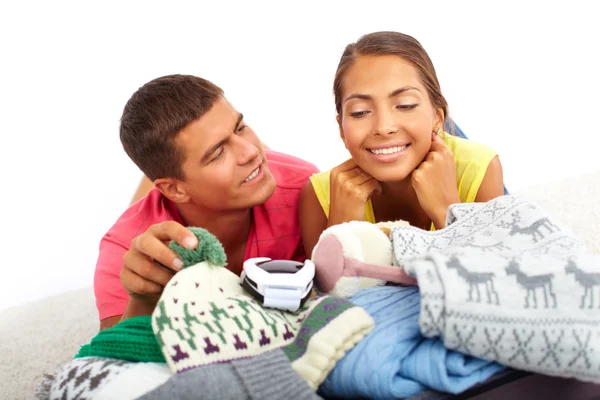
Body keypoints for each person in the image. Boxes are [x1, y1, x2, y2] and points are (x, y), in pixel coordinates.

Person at [95, 74, 318, 330]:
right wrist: (143, 301)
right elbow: (111, 358)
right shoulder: (125, 250)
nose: (252, 151)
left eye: (240, 127)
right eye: (218, 153)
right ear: (174, 189)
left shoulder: (305, 188)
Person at [299, 31, 505, 258]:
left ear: (437, 116)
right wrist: (341, 230)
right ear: (341, 129)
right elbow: (328, 291)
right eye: (360, 112)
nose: (384, 127)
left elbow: (491, 279)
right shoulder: (319, 197)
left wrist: (446, 210)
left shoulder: (479, 169)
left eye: (405, 105)